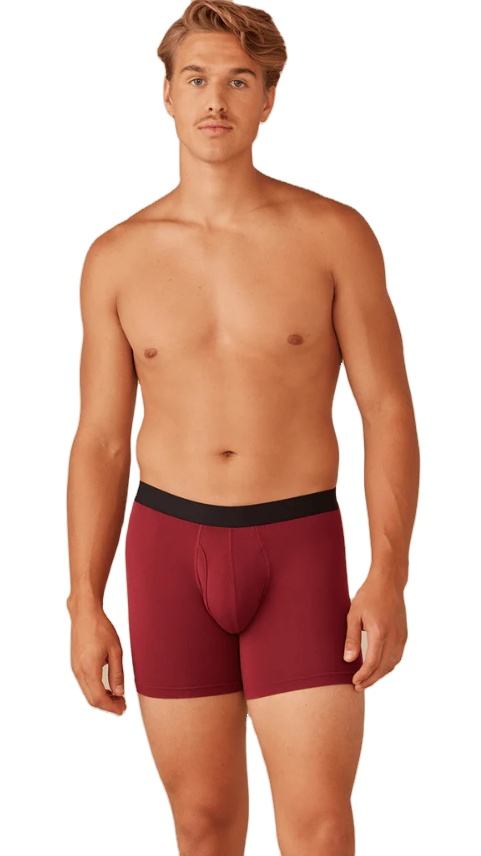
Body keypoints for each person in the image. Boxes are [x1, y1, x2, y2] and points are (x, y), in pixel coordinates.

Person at [66, 1, 420, 854]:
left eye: (237, 81)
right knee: (202, 826)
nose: (214, 99)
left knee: (320, 828)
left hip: (295, 544)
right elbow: (101, 440)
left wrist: (388, 574)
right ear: (166, 94)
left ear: (267, 99)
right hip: (167, 548)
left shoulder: (333, 235)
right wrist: (84, 600)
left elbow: (386, 408)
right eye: (196, 78)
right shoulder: (117, 256)